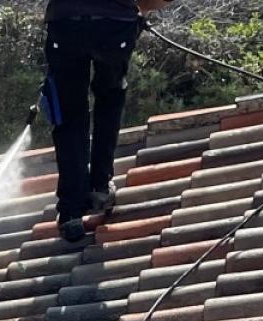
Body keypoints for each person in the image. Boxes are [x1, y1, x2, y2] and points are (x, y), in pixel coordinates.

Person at [45, 0, 171, 243]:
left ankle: (71, 212)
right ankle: (100, 188)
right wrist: (142, 11)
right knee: (109, 101)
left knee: (69, 116)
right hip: (114, 25)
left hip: (65, 23)